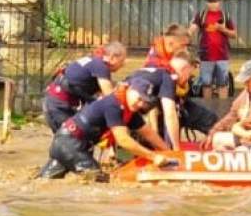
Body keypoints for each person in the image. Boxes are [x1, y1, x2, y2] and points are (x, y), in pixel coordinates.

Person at [38, 77, 171, 180]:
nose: (140, 104)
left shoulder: (130, 110)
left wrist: (170, 153)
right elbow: (123, 140)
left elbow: (149, 134)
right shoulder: (113, 104)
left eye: (144, 102)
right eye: (139, 98)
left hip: (67, 143)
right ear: (129, 89)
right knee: (99, 180)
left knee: (46, 182)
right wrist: (153, 156)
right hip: (70, 144)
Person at [126, 50, 216, 150]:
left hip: (178, 106)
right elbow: (167, 114)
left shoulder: (171, 74)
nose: (190, 77)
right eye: (190, 73)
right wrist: (175, 149)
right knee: (163, 129)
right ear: (186, 68)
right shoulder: (167, 76)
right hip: (154, 114)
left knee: (211, 120)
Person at [43, 41, 127, 133]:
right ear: (112, 57)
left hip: (56, 101)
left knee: (75, 140)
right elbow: (109, 97)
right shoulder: (100, 66)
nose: (123, 65)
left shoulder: (94, 61)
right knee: (70, 139)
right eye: (122, 61)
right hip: (59, 106)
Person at [188, 0, 237, 99]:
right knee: (206, 84)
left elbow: (234, 34)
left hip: (222, 56)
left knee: (223, 84)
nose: (212, 4)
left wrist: (222, 29)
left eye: (215, 1)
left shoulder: (225, 16)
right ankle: (207, 108)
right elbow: (192, 29)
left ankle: (222, 107)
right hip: (206, 56)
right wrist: (186, 35)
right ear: (206, 2)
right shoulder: (201, 15)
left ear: (219, 2)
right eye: (210, 1)